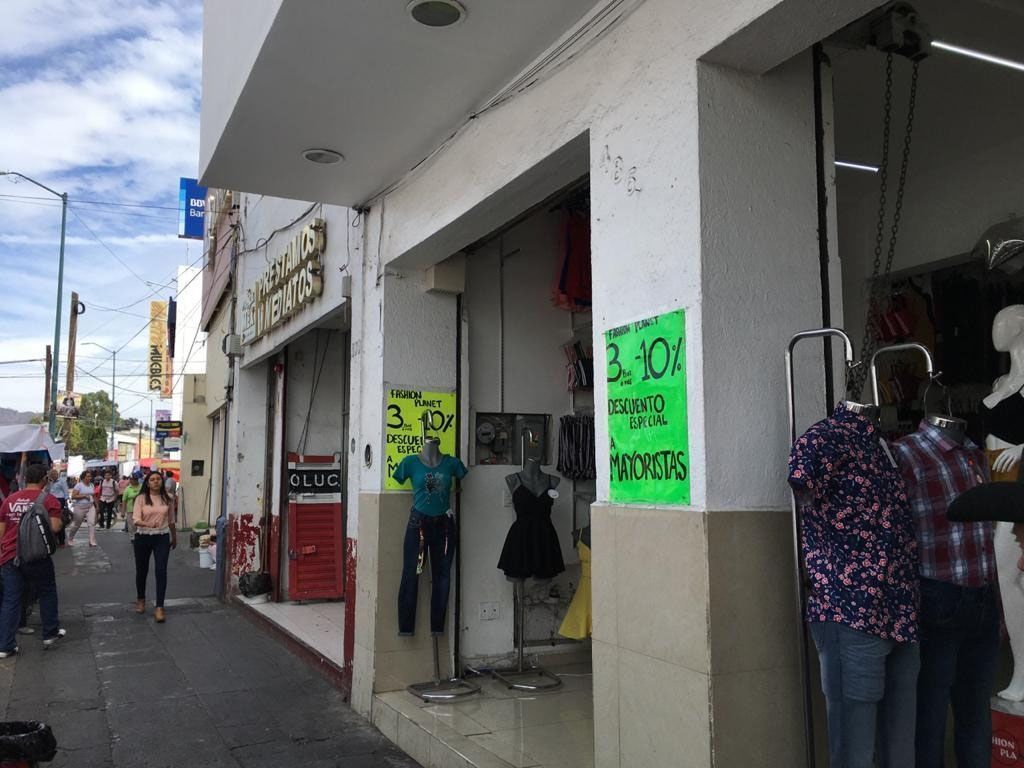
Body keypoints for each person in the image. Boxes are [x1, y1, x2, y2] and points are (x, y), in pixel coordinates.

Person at [0, 463, 65, 656]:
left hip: (10, 556)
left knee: (11, 599)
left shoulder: (9, 501)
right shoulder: (48, 500)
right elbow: (54, 527)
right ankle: (49, 633)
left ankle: (5, 645)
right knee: (46, 591)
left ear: (25, 478)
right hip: (37, 555)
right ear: (44, 480)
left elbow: (1, 533)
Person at [133, 471, 177, 622]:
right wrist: (148, 524)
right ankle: (141, 599)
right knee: (142, 570)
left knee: (161, 571)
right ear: (147, 483)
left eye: (158, 479)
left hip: (162, 537)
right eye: (152, 479)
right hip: (142, 537)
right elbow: (136, 519)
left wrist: (174, 537)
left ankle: (159, 607)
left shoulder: (169, 498)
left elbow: (171, 519)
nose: (156, 482)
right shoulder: (140, 498)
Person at [67, 470, 97, 547]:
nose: (89, 478)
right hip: (79, 507)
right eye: (87, 476)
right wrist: (84, 496)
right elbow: (73, 496)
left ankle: (92, 541)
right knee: (77, 524)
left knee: (91, 523)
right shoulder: (79, 485)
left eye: (90, 476)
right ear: (83, 477)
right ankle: (70, 538)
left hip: (90, 506)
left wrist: (97, 505)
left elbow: (93, 496)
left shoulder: (91, 485)